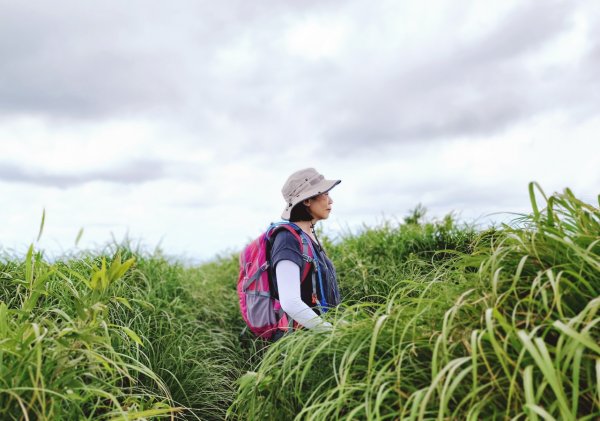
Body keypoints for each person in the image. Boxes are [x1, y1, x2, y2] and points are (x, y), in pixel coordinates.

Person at [270, 168, 341, 337]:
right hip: (298, 347)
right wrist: (332, 333)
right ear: (307, 200)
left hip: (316, 338)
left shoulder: (308, 238)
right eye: (325, 194)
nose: (331, 200)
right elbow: (291, 303)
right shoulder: (287, 240)